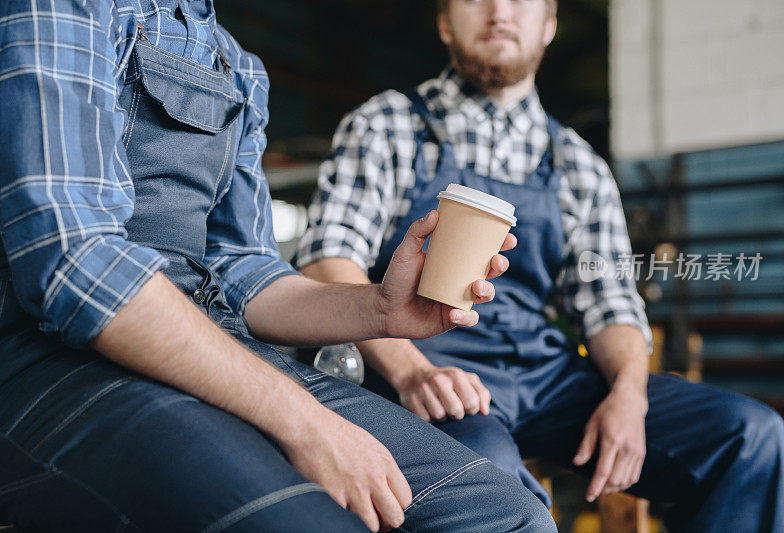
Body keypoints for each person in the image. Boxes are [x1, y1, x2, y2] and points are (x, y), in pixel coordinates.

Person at [0, 1, 560, 531]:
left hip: (213, 344)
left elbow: (243, 269)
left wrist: (380, 307)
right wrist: (304, 422)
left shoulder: (237, 66)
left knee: (503, 516)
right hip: (53, 356)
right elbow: (73, 259)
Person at [295, 0, 784, 531]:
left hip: (541, 374)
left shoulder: (578, 164)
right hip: (420, 367)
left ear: (549, 24)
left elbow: (611, 302)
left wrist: (630, 393)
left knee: (748, 436)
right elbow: (328, 260)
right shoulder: (389, 125)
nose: (499, 11)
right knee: (494, 487)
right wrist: (412, 371)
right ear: (444, 22)